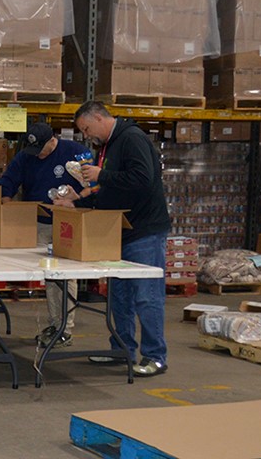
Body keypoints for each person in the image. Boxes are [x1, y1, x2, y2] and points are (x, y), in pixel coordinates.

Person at [53, 101, 171, 376]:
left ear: (98, 117)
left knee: (146, 296)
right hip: (120, 231)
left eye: (87, 128)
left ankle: (155, 356)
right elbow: (111, 190)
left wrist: (101, 174)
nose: (86, 135)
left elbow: (143, 178)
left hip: (144, 231)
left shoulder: (131, 138)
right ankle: (121, 349)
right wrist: (78, 202)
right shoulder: (108, 145)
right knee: (120, 296)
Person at [0, 122, 88, 348]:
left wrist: (76, 199)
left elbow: (93, 186)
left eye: (41, 150)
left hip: (67, 223)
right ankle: (56, 324)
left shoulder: (74, 152)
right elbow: (5, 184)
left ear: (52, 140)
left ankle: (65, 328)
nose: (37, 156)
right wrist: (10, 209)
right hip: (39, 224)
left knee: (65, 277)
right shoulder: (26, 156)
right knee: (50, 278)